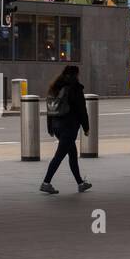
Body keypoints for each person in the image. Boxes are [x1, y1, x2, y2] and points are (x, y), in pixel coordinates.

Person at [40, 65, 92, 195]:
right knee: (59, 156)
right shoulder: (75, 88)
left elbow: (50, 108)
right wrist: (86, 127)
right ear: (75, 74)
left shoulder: (55, 86)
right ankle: (46, 183)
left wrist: (50, 127)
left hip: (57, 126)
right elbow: (82, 110)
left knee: (73, 154)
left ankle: (81, 183)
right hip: (69, 127)